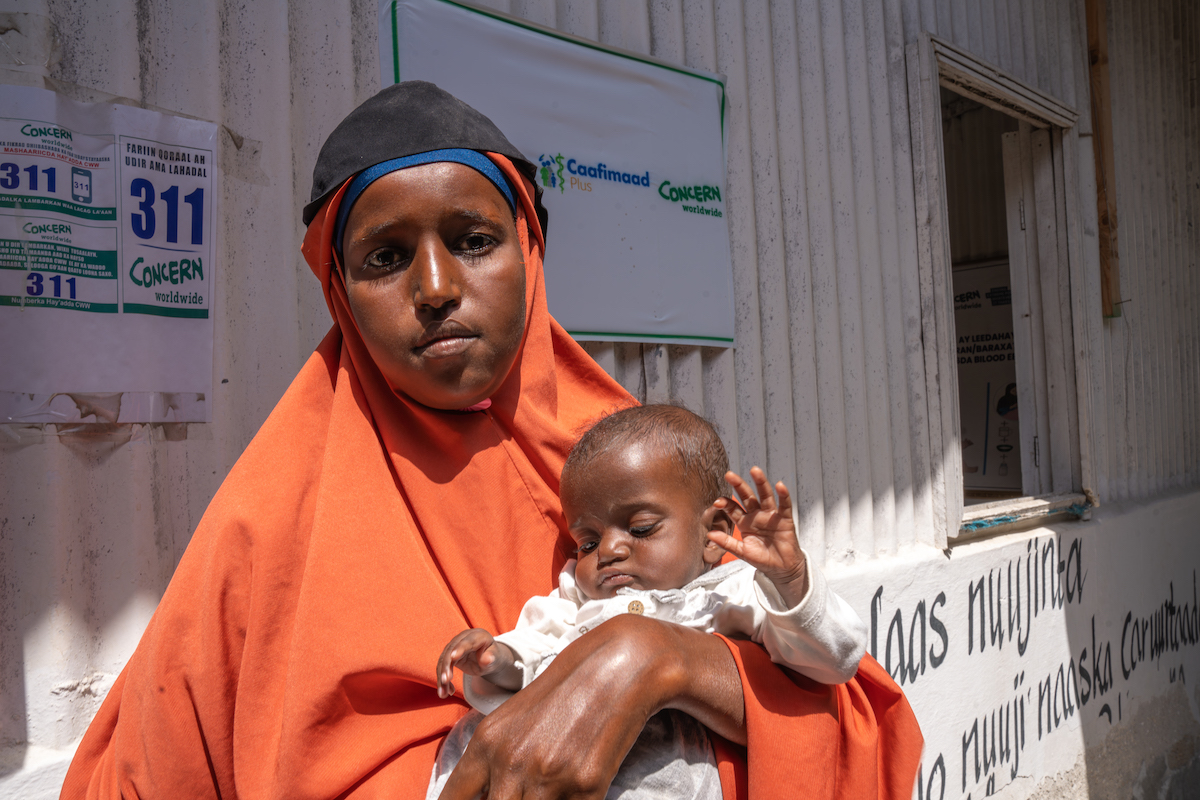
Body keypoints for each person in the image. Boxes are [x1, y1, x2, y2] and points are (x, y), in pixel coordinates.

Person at [62, 81, 922, 800]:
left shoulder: (626, 460)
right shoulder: (264, 524)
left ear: (530, 251)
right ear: (339, 291)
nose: (437, 287)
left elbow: (854, 723)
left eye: (474, 241)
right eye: (385, 258)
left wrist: (658, 659)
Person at [429, 405, 869, 800]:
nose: (608, 551)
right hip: (536, 741)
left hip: (661, 762)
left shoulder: (734, 591)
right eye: (587, 541)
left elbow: (832, 660)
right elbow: (535, 645)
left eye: (640, 529)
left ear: (714, 532)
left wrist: (790, 581)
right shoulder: (575, 596)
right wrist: (497, 659)